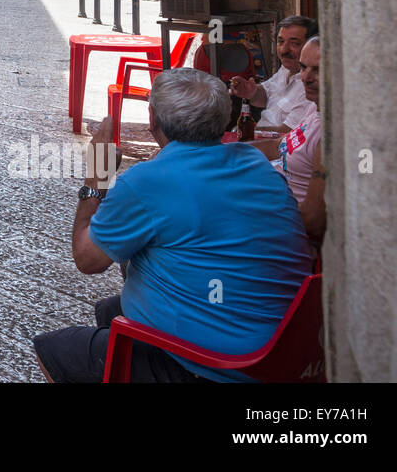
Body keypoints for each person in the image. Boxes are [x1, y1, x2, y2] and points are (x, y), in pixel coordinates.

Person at [32, 68, 314, 382]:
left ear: (152, 119)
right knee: (111, 309)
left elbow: (87, 259)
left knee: (54, 350)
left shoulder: (146, 182)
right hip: (286, 352)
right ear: (224, 119)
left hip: (222, 368)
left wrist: (96, 180)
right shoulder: (256, 164)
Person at [250, 37, 324, 239]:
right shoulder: (315, 108)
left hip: (281, 231)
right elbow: (278, 145)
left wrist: (251, 207)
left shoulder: (331, 135)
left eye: (317, 70)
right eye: (303, 68)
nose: (305, 78)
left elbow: (312, 221)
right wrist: (226, 153)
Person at [229, 15, 316, 131]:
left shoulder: (310, 85)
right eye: (281, 42)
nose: (284, 50)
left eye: (294, 43)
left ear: (310, 46)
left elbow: (288, 133)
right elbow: (267, 94)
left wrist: (249, 132)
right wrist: (251, 91)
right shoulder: (286, 69)